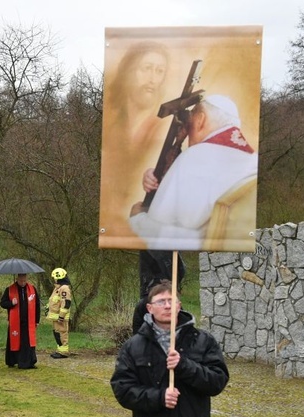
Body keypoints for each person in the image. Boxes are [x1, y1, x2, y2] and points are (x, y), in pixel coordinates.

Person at [110, 281, 229, 417]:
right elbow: (123, 389)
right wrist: (158, 397)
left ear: (179, 305)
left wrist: (185, 366)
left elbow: (217, 381)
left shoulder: (202, 341)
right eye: (161, 301)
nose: (167, 305)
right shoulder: (134, 346)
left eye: (171, 300)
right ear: (149, 308)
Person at [129, 94, 258, 250]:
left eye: (189, 121)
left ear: (200, 120)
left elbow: (160, 231)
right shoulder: (253, 160)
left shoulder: (192, 158)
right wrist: (161, 178)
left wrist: (137, 218)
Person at [105, 41, 170, 161]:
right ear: (128, 71)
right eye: (147, 68)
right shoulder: (114, 127)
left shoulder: (161, 129)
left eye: (160, 71)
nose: (153, 79)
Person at [132, 251, 186, 335]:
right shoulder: (145, 305)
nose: (167, 306)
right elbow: (136, 341)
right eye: (161, 302)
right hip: (150, 292)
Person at [0, 273, 40, 369]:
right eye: (21, 281)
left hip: (28, 321)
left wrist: (37, 320)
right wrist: (11, 303)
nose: (23, 283)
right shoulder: (9, 290)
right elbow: (2, 303)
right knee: (14, 341)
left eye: (24, 281)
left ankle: (28, 362)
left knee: (28, 342)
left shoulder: (32, 289)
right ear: (17, 279)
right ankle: (13, 360)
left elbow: (37, 305)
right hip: (15, 322)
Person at [46, 268, 72, 359]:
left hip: (61, 318)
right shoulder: (58, 288)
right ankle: (60, 350)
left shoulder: (64, 288)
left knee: (62, 333)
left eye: (54, 277)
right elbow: (54, 301)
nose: (54, 279)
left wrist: (61, 317)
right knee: (57, 333)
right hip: (56, 317)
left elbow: (66, 303)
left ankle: (64, 352)